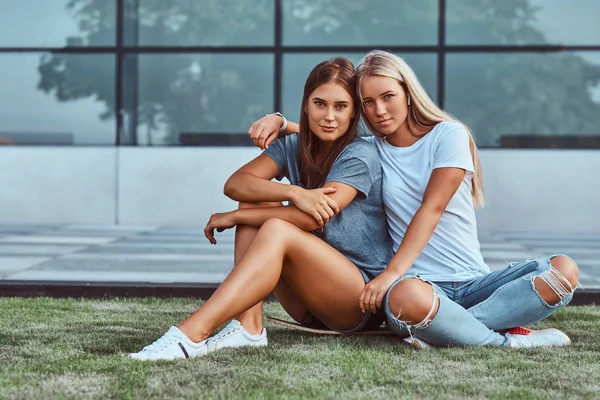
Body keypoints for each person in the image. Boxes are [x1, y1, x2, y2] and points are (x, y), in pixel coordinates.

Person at [249, 50, 579, 348]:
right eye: (367, 102)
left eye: (388, 96)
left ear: (408, 94)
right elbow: (326, 127)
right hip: (414, 287)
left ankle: (448, 329)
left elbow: (431, 208)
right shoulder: (371, 151)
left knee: (563, 270)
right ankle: (502, 341)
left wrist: (390, 272)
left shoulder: (449, 135)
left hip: (473, 283)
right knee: (407, 297)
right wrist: (281, 120)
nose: (378, 110)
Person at [129, 57, 393, 360]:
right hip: (306, 299)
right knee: (257, 197)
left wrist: (236, 216)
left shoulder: (360, 154)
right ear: (306, 105)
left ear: (353, 113)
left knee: (276, 226)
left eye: (340, 106)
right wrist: (294, 192)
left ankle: (190, 334)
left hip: (356, 299)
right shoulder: (294, 145)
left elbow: (311, 219)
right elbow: (237, 184)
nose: (329, 116)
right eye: (320, 104)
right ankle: (248, 327)